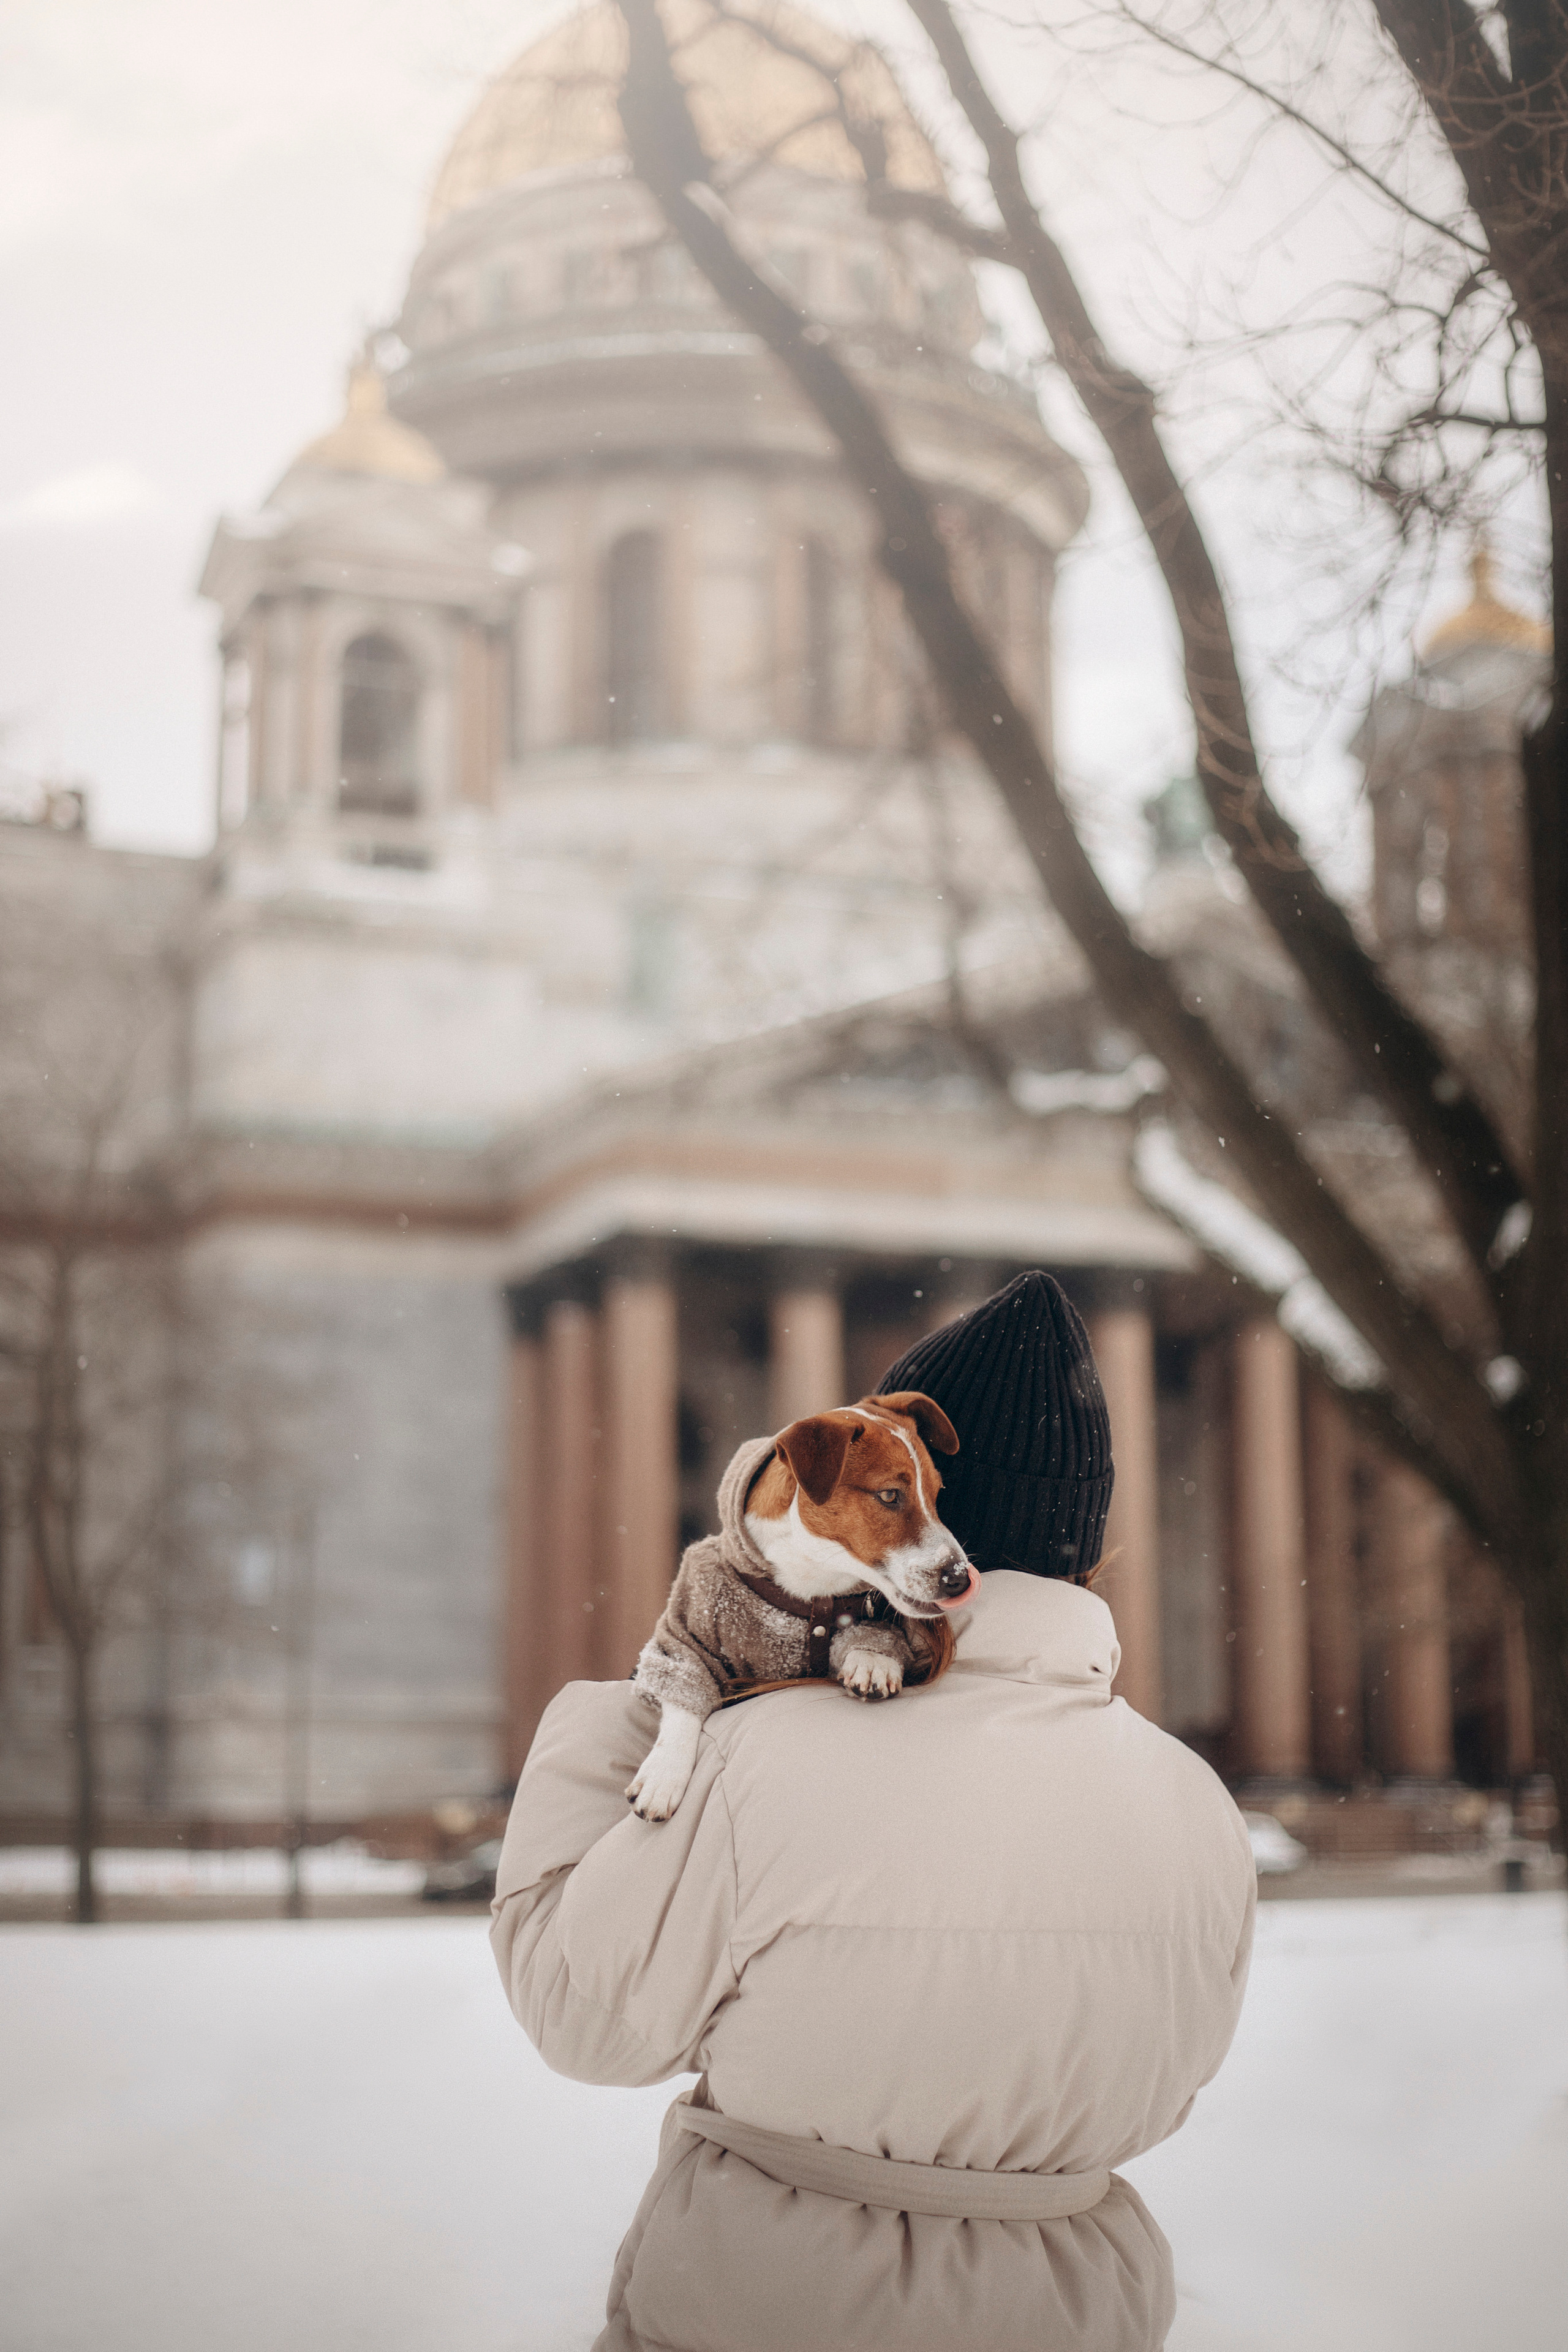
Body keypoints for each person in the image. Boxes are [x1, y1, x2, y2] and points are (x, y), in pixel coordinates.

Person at [491, 1270, 1255, 2351]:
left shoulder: (758, 1766)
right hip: (1079, 2315)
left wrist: (620, 1713)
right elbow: (1168, 2094)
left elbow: (580, 2017)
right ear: (1088, 1546)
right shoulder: (1197, 1809)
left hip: (769, 2311)